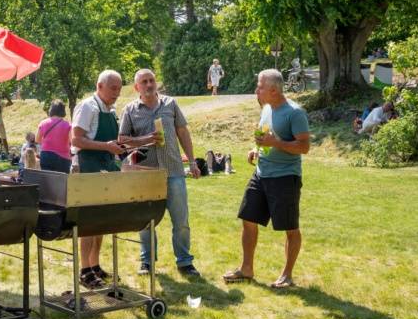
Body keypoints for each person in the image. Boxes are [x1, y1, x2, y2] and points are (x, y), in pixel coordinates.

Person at [222, 69, 310, 288]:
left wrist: (276, 143)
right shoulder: (267, 108)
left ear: (273, 90)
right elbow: (265, 136)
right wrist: (256, 149)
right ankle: (247, 269)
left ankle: (287, 275)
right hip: (261, 173)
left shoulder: (295, 113)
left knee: (290, 227)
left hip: (285, 177)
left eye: (260, 86)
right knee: (248, 219)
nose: (256, 90)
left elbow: (304, 147)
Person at [118, 69, 202, 277]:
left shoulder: (170, 104)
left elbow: (183, 131)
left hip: (173, 170)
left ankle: (184, 262)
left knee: (181, 220)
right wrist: (146, 139)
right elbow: (122, 140)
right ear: (136, 87)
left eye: (151, 80)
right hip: (145, 174)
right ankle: (147, 261)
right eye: (144, 82)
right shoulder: (130, 110)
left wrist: (192, 161)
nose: (149, 84)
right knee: (146, 220)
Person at [71, 70, 125, 289]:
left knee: (101, 220)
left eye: (119, 90)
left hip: (106, 166)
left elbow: (112, 140)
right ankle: (84, 270)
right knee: (88, 222)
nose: (117, 94)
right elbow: (76, 139)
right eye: (113, 89)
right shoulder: (87, 107)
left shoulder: (111, 110)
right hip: (88, 167)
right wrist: (106, 146)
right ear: (99, 86)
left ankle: (94, 265)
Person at [36, 99, 72, 173]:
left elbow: (37, 139)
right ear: (63, 110)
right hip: (63, 157)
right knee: (61, 181)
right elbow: (71, 140)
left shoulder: (43, 123)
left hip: (46, 155)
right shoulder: (68, 125)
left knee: (48, 180)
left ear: (51, 110)